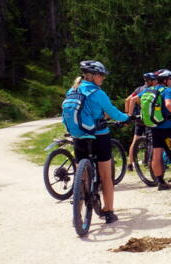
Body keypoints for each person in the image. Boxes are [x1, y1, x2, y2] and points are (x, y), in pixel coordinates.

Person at [63, 60, 130, 224]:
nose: (103, 78)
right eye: (101, 75)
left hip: (79, 136)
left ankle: (76, 216)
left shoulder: (72, 90)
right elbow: (113, 112)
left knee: (81, 177)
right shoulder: (98, 93)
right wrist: (127, 118)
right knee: (106, 176)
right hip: (99, 135)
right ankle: (108, 212)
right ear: (92, 76)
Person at [132, 69, 171, 190]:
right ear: (166, 80)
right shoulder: (168, 90)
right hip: (169, 126)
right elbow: (168, 105)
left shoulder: (149, 90)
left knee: (157, 154)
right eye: (170, 79)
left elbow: (133, 100)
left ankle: (161, 182)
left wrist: (132, 114)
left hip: (155, 127)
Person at [125, 72, 157, 170]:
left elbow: (127, 100)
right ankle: (152, 164)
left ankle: (130, 164)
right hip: (149, 119)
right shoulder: (153, 90)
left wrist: (128, 115)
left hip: (139, 118)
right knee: (154, 141)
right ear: (151, 81)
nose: (156, 82)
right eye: (155, 80)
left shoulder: (138, 89)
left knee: (135, 141)